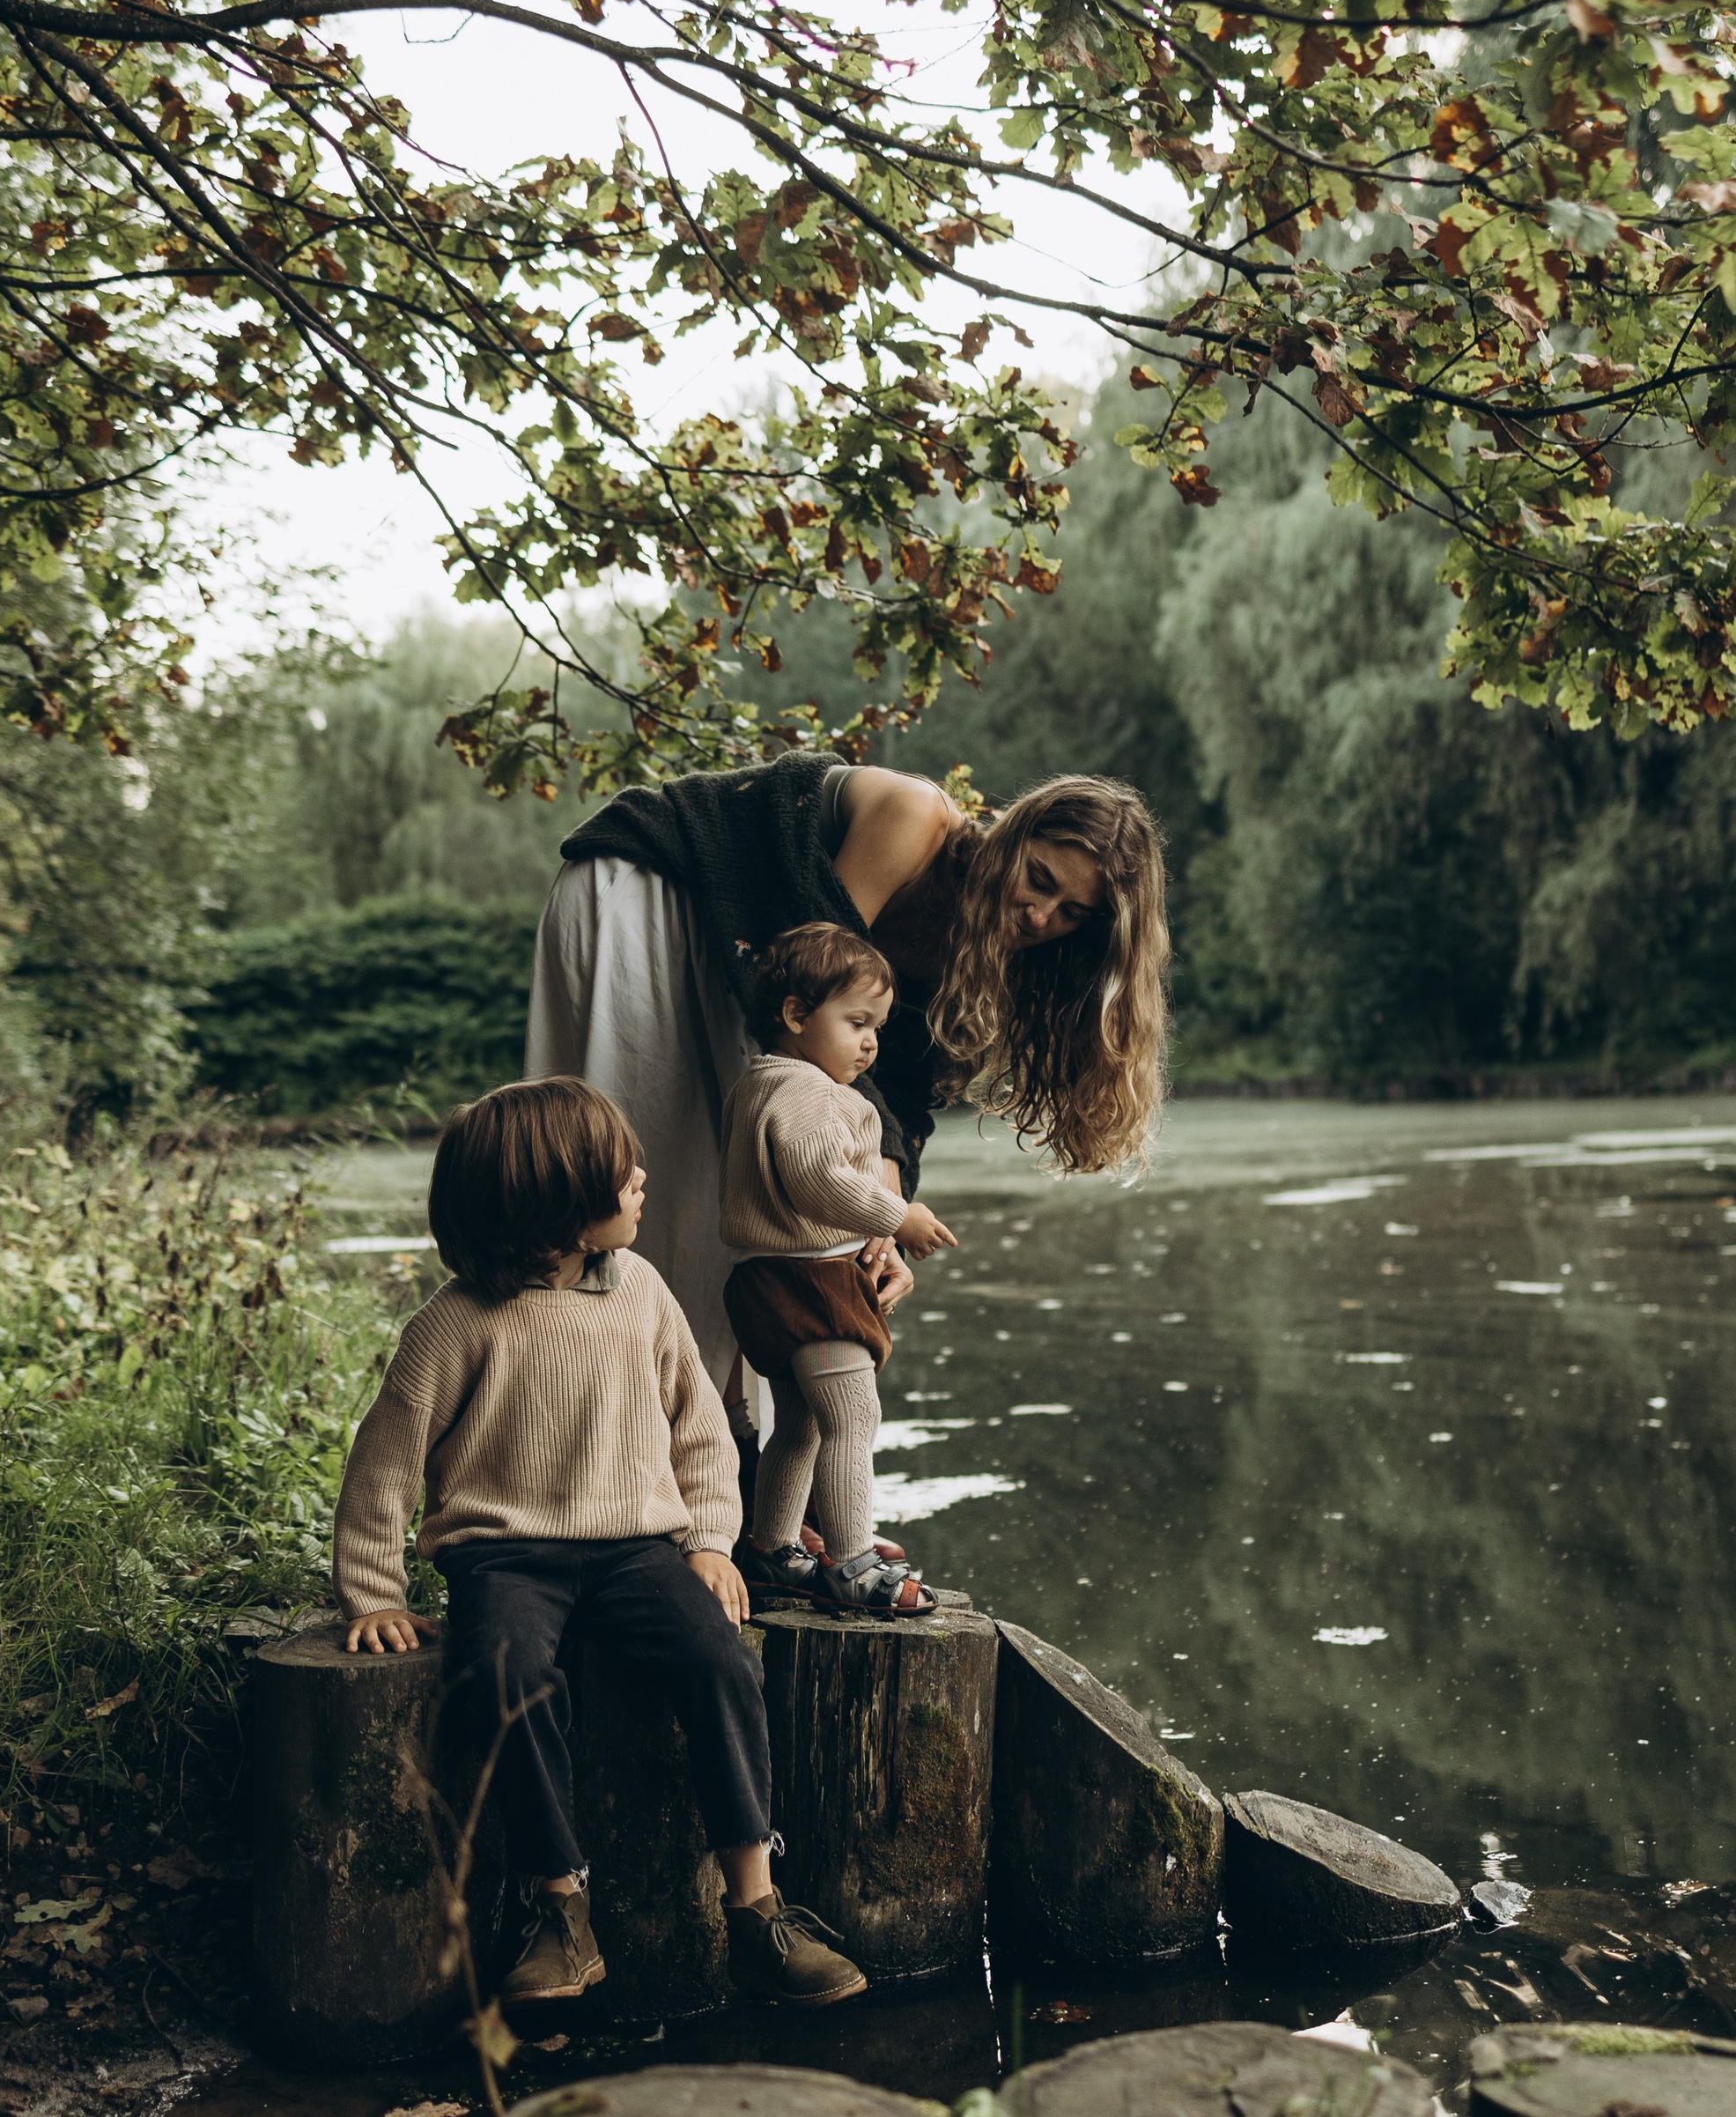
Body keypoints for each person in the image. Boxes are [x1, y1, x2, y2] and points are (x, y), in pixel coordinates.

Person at [329, 1077, 866, 2010]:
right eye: (622, 1174)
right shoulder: (454, 1324)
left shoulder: (641, 1291)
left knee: (720, 1662)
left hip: (636, 1551)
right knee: (505, 1676)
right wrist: (373, 1593)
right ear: (555, 1203)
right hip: (504, 1555)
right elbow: (384, 1462)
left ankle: (755, 1905)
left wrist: (710, 1540)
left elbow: (701, 1429)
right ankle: (560, 1908)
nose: (642, 1180)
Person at [523, 763, 1170, 1408]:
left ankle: (720, 1441)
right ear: (1011, 833)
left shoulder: (989, 954)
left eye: (1071, 913)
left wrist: (884, 1218)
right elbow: (805, 990)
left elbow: (903, 1095)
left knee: (776, 1208)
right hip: (655, 891)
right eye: (1039, 879)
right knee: (648, 1181)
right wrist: (879, 1191)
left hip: (744, 963)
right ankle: (593, 1409)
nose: (1039, 915)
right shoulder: (915, 819)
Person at [722, 922, 959, 1618]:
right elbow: (819, 1181)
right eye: (857, 1023)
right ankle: (852, 1562)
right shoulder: (807, 1091)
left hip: (768, 1282)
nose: (871, 1042)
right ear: (797, 1015)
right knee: (854, 1417)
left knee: (800, 1423)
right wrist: (897, 1213)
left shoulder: (760, 1084)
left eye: (877, 1027)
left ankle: (771, 1547)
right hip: (811, 1283)